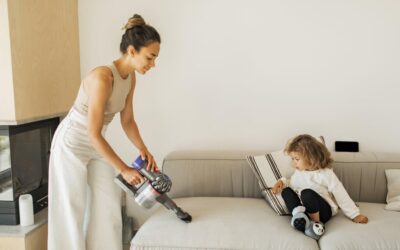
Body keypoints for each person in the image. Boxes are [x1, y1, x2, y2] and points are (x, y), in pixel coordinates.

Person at [48, 14, 160, 250]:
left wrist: (143, 148)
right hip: (73, 141)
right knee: (71, 209)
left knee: (108, 200)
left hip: (95, 141)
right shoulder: (102, 77)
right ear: (131, 51)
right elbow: (92, 132)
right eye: (150, 57)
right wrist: (124, 169)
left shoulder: (129, 79)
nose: (153, 64)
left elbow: (127, 120)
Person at [272, 134, 368, 239]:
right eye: (293, 159)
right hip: (305, 209)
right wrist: (282, 182)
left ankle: (315, 224)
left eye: (297, 159)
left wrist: (354, 214)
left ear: (311, 157)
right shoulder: (299, 172)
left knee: (307, 193)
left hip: (323, 211)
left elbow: (340, 192)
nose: (294, 162)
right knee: (286, 191)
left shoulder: (325, 174)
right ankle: (299, 217)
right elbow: (293, 183)